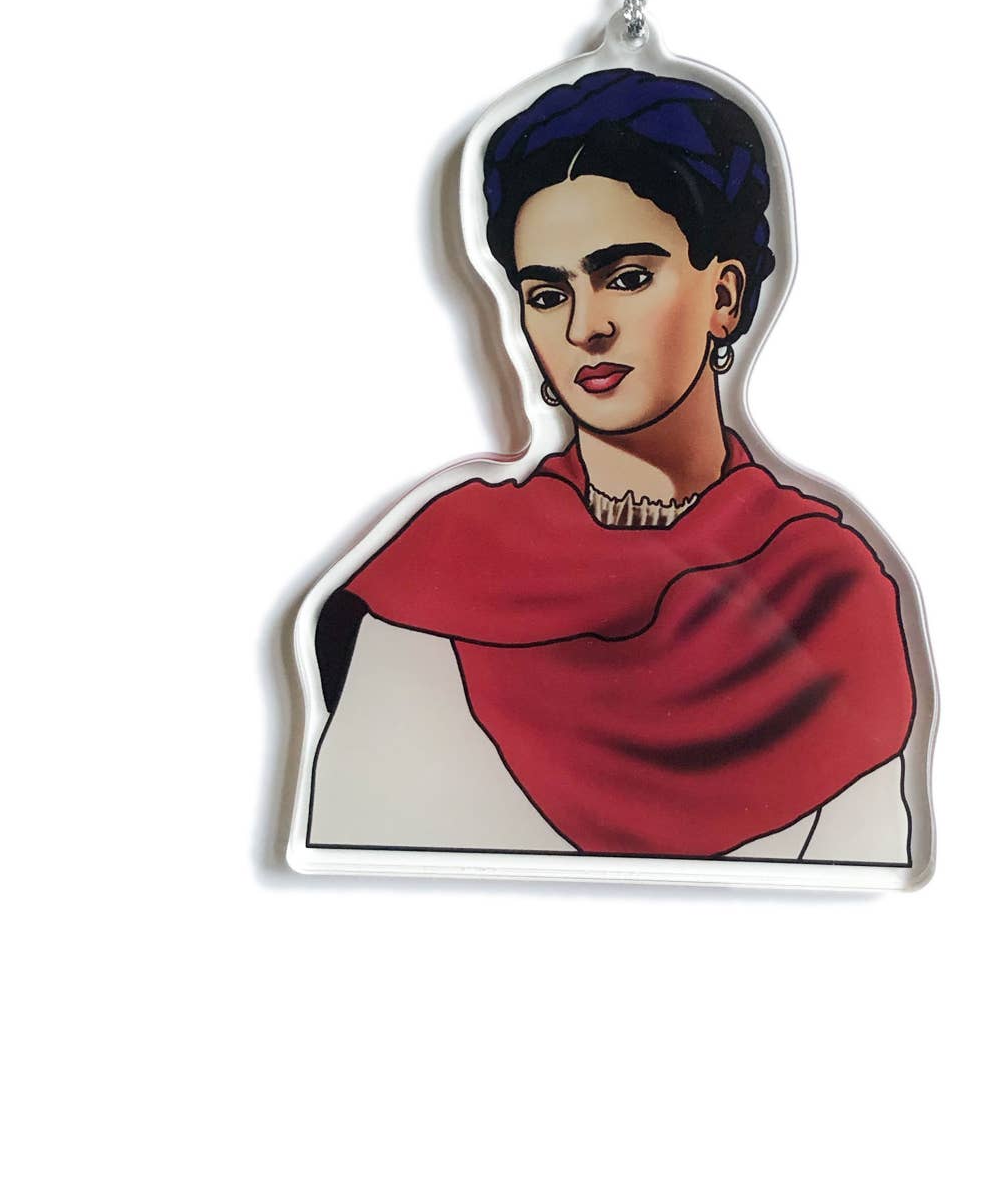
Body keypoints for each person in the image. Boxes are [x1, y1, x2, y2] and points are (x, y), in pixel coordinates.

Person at [306, 69, 916, 862]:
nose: (585, 328)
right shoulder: (439, 579)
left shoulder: (829, 598)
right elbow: (358, 842)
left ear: (725, 297)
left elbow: (864, 861)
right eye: (546, 294)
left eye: (626, 278)